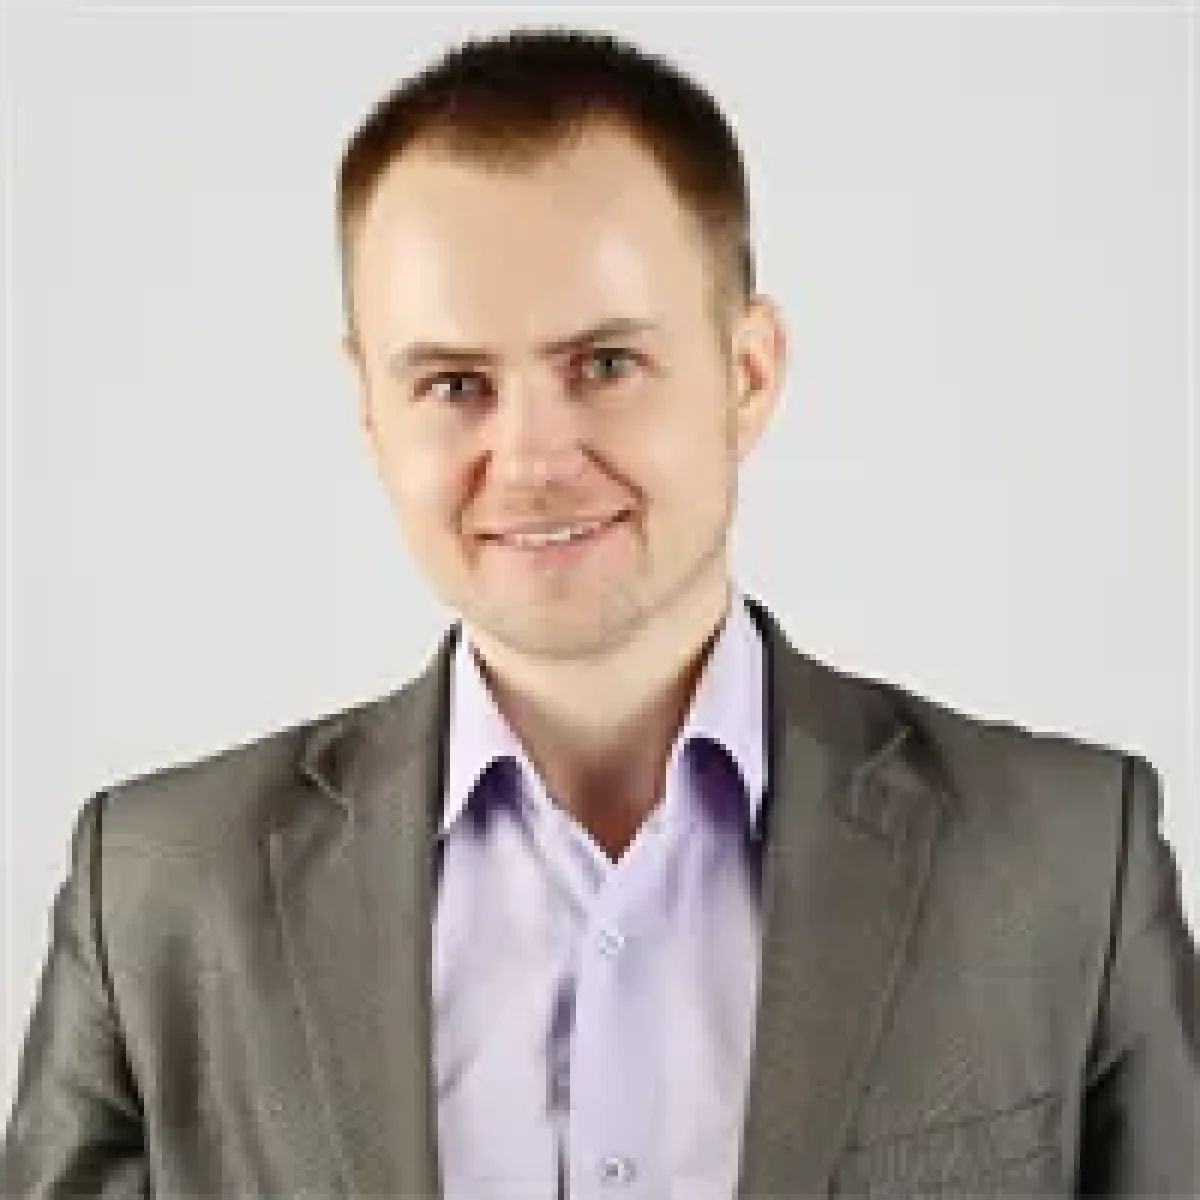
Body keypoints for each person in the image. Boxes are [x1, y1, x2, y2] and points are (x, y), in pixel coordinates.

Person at [3, 26, 1197, 1200]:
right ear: (372, 414)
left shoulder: (1067, 865)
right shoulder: (156, 895)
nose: (532, 460)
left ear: (748, 373)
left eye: (605, 365)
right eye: (454, 384)